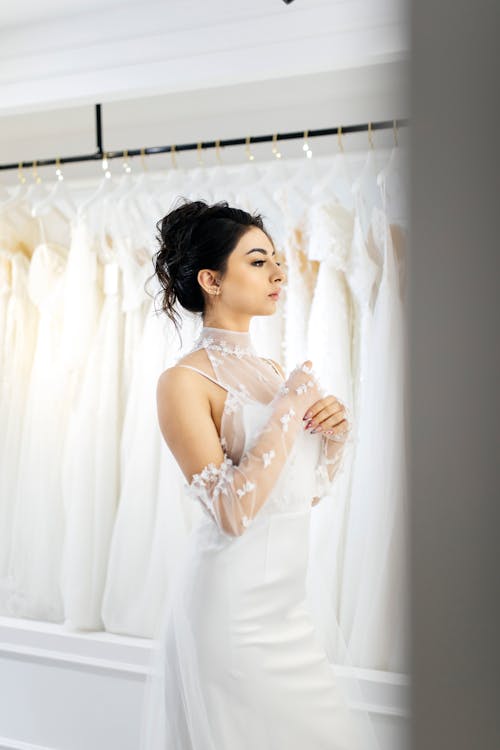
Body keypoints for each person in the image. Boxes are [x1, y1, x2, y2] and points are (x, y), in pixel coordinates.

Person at [139, 198, 376, 749]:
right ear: (211, 280)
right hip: (231, 615)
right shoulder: (183, 382)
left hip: (287, 610)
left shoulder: (272, 371)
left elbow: (301, 495)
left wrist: (335, 438)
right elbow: (233, 511)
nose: (278, 271)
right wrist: (291, 410)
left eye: (275, 259)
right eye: (256, 261)